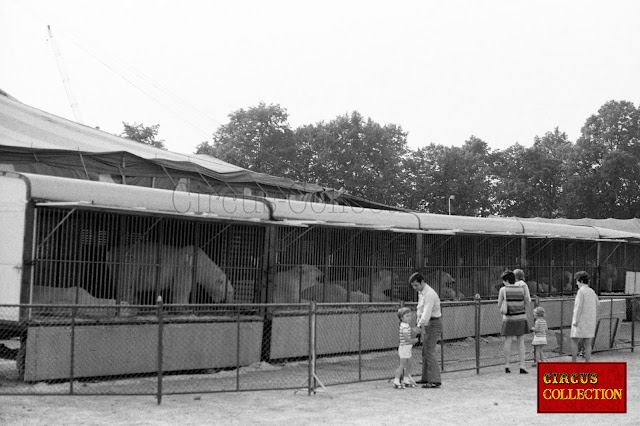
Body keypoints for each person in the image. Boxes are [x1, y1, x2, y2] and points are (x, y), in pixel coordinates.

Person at [409, 271, 443, 388]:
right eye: (413, 286)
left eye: (416, 285)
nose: (415, 288)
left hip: (433, 322)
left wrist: (419, 326)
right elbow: (420, 308)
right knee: (425, 351)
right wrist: (419, 323)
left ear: (422, 282)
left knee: (429, 351)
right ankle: (426, 378)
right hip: (427, 323)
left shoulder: (429, 293)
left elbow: (427, 312)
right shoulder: (422, 292)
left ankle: (435, 380)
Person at [497, 269, 531, 374]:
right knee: (521, 342)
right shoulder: (521, 289)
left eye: (503, 280)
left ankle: (507, 365)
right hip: (521, 317)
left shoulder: (503, 290)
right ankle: (522, 365)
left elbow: (499, 304)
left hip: (509, 318)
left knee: (508, 341)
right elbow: (526, 301)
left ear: (506, 280)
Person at [571, 271, 599, 362]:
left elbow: (578, 307)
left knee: (574, 340)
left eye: (577, 281)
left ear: (581, 281)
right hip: (590, 320)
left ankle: (574, 361)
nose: (576, 283)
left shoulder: (581, 292)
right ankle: (587, 361)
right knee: (588, 342)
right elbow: (597, 304)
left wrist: (575, 320)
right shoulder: (592, 291)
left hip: (580, 319)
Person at [393, 307, 419, 389]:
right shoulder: (403, 326)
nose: (409, 318)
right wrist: (414, 341)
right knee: (402, 364)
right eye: (407, 316)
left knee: (409, 364)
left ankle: (406, 380)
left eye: (410, 316)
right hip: (404, 347)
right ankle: (396, 381)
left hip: (408, 347)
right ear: (401, 318)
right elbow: (406, 338)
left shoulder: (407, 325)